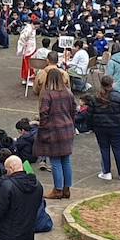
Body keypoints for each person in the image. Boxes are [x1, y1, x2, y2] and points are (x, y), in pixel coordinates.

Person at [37, 69, 77, 200]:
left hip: (53, 130)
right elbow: (74, 110)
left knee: (55, 161)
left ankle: (57, 189)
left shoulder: (47, 94)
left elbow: (44, 114)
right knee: (66, 160)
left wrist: (43, 129)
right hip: (68, 128)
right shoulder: (68, 93)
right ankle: (67, 188)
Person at [86, 75, 120, 181]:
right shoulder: (118, 97)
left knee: (104, 149)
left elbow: (89, 114)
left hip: (100, 128)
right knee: (118, 149)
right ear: (112, 84)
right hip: (115, 127)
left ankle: (106, 172)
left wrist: (90, 127)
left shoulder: (95, 98)